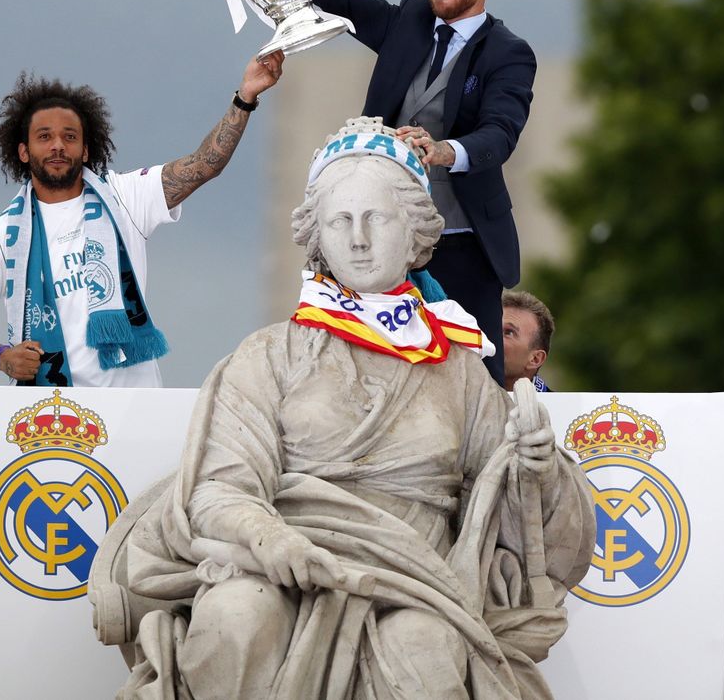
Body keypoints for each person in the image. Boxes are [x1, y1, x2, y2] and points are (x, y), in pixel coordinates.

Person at [90, 119, 594, 699]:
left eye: (375, 218)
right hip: (279, 562)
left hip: (414, 579)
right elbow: (218, 489)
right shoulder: (269, 355)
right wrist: (270, 540)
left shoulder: (459, 370)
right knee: (236, 618)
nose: (357, 239)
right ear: (318, 236)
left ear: (414, 233)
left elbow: (517, 516)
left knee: (424, 653)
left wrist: (538, 468)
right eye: (340, 221)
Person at [294, 0, 537, 387]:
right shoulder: (408, 18)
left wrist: (443, 150)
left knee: (474, 380)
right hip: (385, 238)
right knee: (375, 374)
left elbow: (500, 134)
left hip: (463, 238)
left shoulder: (509, 53)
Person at [0, 52, 284, 387]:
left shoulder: (124, 196)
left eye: (70, 137)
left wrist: (245, 98)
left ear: (86, 150)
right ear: (23, 151)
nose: (58, 147)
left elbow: (203, 165)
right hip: (50, 424)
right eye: (44, 137)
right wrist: (0, 356)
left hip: (133, 414)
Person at [501, 289, 555, 393]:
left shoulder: (562, 408)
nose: (491, 338)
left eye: (508, 332)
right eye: (491, 329)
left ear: (535, 359)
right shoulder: (463, 401)